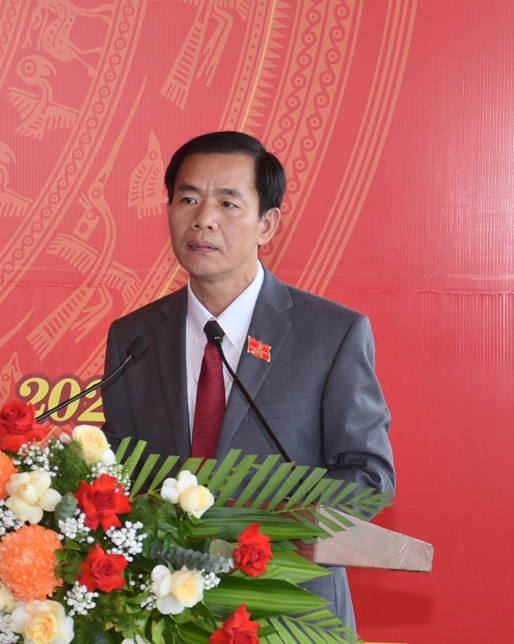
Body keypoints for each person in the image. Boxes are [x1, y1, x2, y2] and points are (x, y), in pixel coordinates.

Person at [101, 131, 395, 631]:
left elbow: (370, 478)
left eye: (228, 203)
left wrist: (260, 525)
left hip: (292, 612)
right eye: (188, 199)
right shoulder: (134, 337)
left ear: (267, 224)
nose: (204, 218)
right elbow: (120, 471)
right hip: (165, 614)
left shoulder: (330, 334)